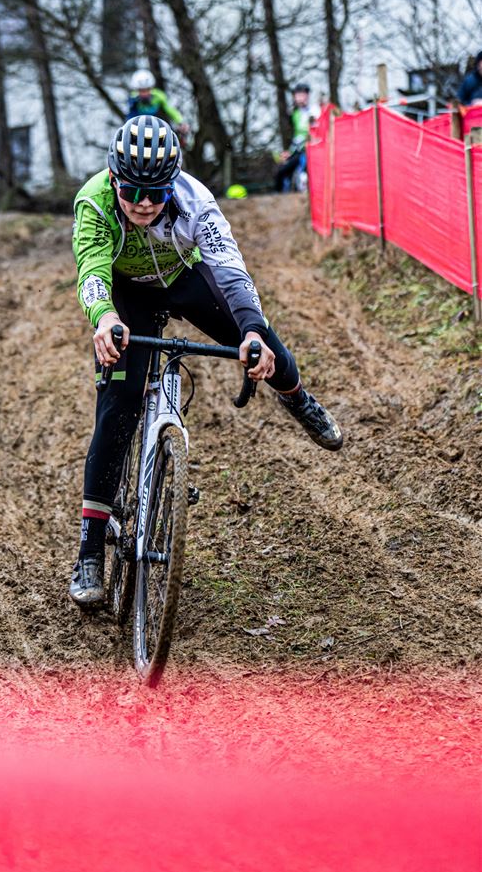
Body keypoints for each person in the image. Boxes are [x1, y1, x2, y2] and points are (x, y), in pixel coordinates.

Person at [69, 114, 343, 606]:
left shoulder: (196, 201)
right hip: (126, 294)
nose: (145, 203)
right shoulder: (95, 202)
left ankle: (298, 397)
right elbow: (91, 270)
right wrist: (105, 318)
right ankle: (89, 551)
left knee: (262, 340)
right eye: (133, 191)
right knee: (119, 402)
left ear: (173, 184)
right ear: (114, 179)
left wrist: (252, 330)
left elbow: (230, 270)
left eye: (157, 192)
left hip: (183, 276)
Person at [274, 83, 318, 193]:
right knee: (282, 171)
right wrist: (289, 151)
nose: (298, 98)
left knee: (304, 171)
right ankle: (281, 196)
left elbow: (317, 130)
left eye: (301, 94)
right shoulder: (295, 114)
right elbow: (297, 136)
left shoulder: (315, 110)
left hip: (311, 149)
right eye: (296, 95)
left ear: (307, 95)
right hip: (298, 149)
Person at [127, 69, 190, 140]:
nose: (144, 93)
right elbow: (130, 117)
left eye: (147, 89)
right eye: (141, 90)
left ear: (151, 88)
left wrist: (180, 122)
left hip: (157, 127)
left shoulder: (159, 96)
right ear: (136, 90)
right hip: (139, 128)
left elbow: (170, 109)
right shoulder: (133, 98)